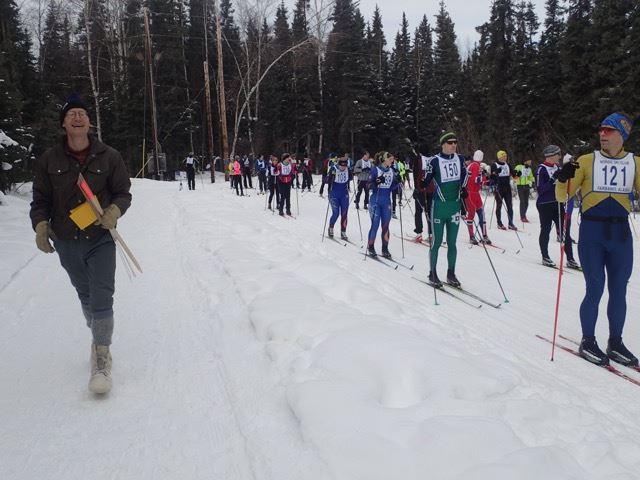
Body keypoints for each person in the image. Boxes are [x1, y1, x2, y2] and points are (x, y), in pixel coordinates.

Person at [29, 93, 132, 394]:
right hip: (66, 241)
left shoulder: (109, 156)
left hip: (100, 238)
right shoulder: (49, 160)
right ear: (63, 122)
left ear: (89, 122)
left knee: (102, 294)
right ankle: (97, 332)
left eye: (82, 113)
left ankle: (101, 355)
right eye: (71, 113)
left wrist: (114, 210)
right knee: (85, 293)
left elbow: (123, 193)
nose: (78, 117)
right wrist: (40, 226)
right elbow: (40, 200)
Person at [555, 112, 640, 367]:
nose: (602, 134)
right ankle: (588, 340)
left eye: (609, 130)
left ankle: (616, 342)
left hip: (621, 234)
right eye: (601, 130)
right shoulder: (586, 161)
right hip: (593, 233)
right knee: (595, 287)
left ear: (622, 135)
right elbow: (563, 196)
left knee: (619, 290)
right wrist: (562, 177)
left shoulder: (635, 162)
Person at [423, 132, 468, 287]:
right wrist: (422, 185)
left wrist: (463, 189)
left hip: (454, 206)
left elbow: (464, 175)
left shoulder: (460, 158)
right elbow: (426, 179)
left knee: (452, 243)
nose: (453, 145)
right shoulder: (434, 161)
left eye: (455, 142)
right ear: (443, 144)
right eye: (450, 142)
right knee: (436, 242)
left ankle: (451, 273)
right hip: (439, 207)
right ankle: (432, 273)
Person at [367, 151, 399, 258]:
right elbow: (368, 186)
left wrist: (397, 182)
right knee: (375, 225)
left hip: (386, 202)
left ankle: (385, 249)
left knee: (385, 226)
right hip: (375, 201)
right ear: (384, 160)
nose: (392, 161)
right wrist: (376, 182)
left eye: (392, 159)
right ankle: (371, 246)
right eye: (390, 159)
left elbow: (392, 188)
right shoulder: (375, 170)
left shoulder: (392, 171)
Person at [464, 150, 491, 245]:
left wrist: (487, 181)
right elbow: (476, 179)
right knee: (471, 215)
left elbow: (480, 180)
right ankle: (472, 236)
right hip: (471, 193)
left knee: (481, 214)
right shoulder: (474, 166)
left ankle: (484, 235)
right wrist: (486, 178)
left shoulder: (477, 165)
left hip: (476, 193)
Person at [490, 150, 517, 230]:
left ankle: (511, 223)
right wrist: (496, 173)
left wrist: (517, 174)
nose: (505, 158)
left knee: (510, 206)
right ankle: (499, 223)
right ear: (499, 157)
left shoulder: (508, 164)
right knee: (499, 206)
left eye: (505, 156)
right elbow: (491, 177)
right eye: (503, 156)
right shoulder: (494, 165)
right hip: (498, 188)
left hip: (507, 188)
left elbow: (514, 175)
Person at [327, 158, 352, 240]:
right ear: (338, 164)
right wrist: (331, 175)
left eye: (345, 166)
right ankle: (331, 228)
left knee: (344, 213)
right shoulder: (333, 168)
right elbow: (327, 180)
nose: (343, 168)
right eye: (342, 166)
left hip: (344, 194)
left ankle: (343, 231)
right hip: (334, 193)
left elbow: (350, 178)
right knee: (336, 213)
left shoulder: (347, 169)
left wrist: (351, 173)